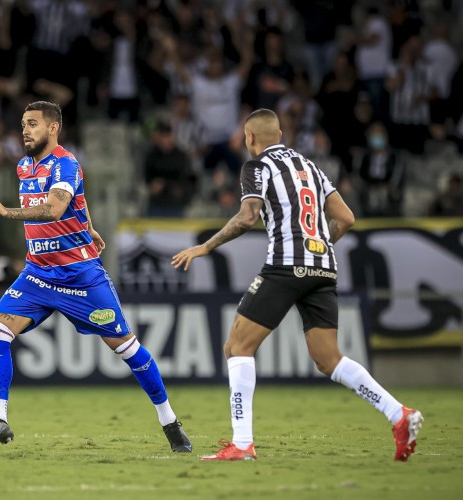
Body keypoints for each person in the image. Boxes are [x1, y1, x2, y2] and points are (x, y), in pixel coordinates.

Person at [171, 108, 422, 462]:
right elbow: (346, 218)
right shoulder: (310, 167)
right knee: (329, 359)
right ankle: (399, 415)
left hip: (287, 264)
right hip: (324, 266)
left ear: (250, 138)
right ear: (281, 135)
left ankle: (242, 443)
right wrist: (317, 248)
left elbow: (247, 216)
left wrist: (205, 246)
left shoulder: (256, 167)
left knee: (237, 347)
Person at [0, 101, 191, 452]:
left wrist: (3, 209)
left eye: (33, 124)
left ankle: (169, 421)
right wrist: (89, 226)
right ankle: (0, 419)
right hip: (38, 274)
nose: (25, 130)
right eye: (23, 124)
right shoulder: (24, 165)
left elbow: (56, 207)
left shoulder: (66, 163)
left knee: (128, 350)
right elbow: (78, 201)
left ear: (53, 128)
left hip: (81, 279)